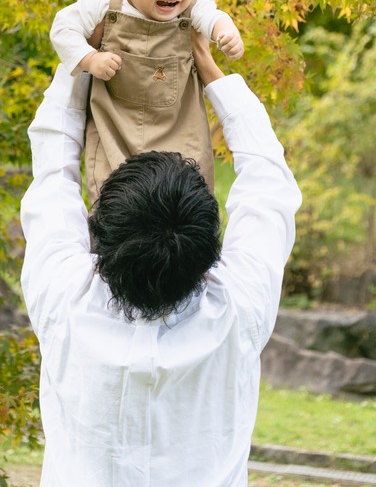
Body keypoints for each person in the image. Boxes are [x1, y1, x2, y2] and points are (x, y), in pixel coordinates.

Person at [20, 31, 301, 486]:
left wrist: (80, 60)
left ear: (101, 234)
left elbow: (53, 170)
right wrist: (212, 73)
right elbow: (269, 185)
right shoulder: (239, 309)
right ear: (209, 245)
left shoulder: (64, 301)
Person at [49, 0, 244, 203]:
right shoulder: (103, 2)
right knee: (115, 204)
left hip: (180, 127)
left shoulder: (193, 7)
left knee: (187, 202)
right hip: (116, 128)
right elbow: (62, 29)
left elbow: (212, 16)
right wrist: (91, 59)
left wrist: (225, 33)